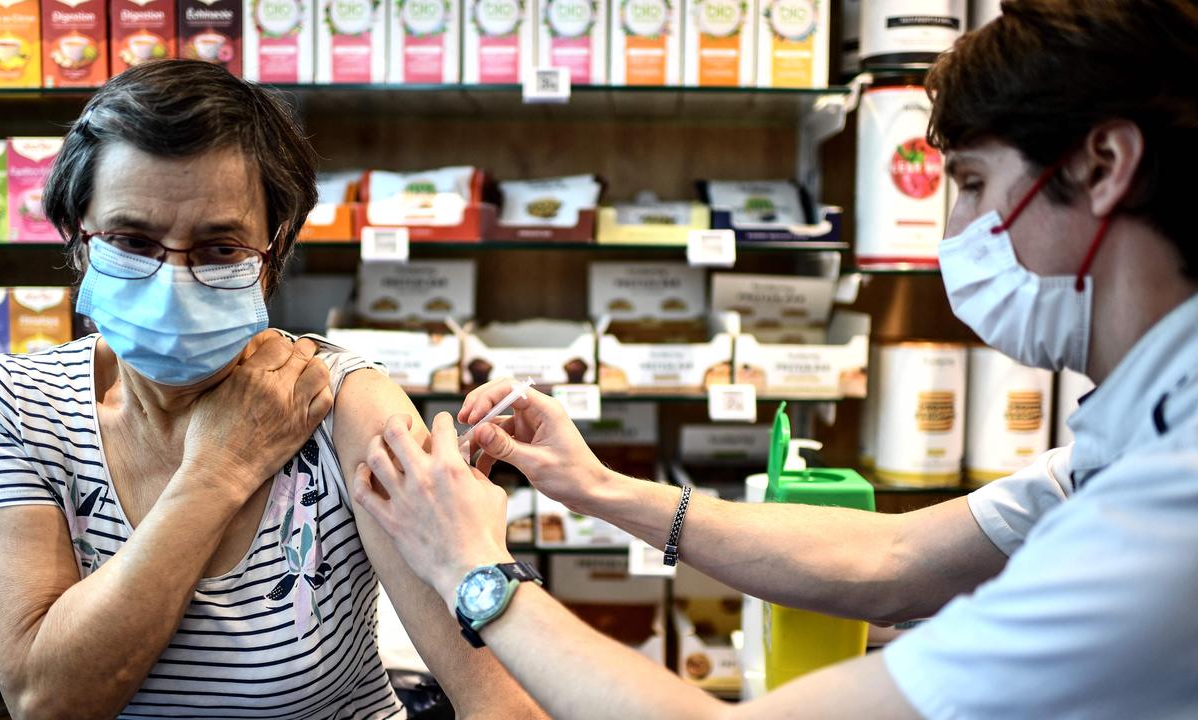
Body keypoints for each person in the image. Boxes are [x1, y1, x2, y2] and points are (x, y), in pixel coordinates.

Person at [354, 1, 1198, 718]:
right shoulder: (1135, 439)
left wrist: (474, 573)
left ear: (1102, 167)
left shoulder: (1170, 510)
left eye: (973, 185)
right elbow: (890, 563)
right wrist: (598, 489)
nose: (952, 234)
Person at [0, 60, 543, 720]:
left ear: (274, 252)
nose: (170, 283)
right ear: (78, 241)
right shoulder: (16, 407)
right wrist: (217, 472)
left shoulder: (343, 405)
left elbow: (501, 704)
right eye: (131, 240)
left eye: (219, 248)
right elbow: (45, 700)